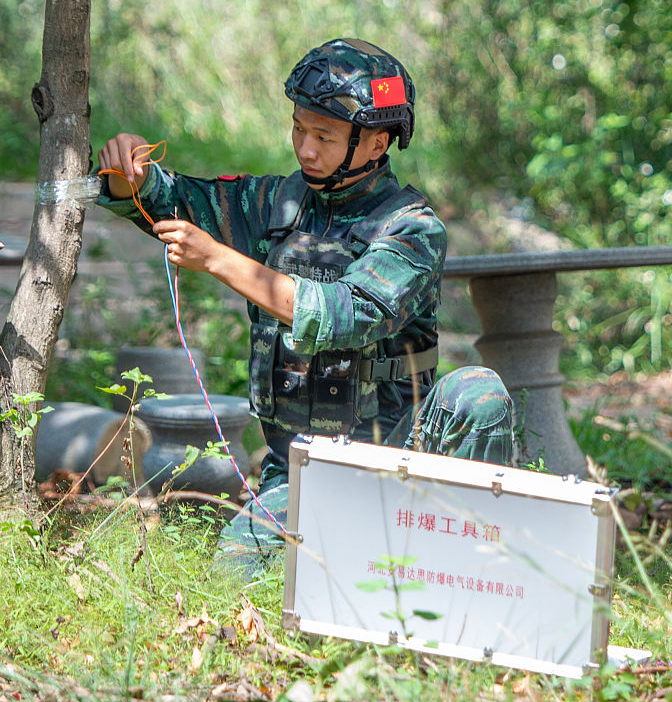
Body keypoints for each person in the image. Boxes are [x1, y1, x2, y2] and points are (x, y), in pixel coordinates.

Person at [96, 38, 515, 574]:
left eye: (324, 136)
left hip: (400, 463)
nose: (305, 149)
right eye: (299, 129)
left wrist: (218, 259)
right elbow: (172, 200)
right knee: (233, 577)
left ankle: (466, 572)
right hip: (302, 473)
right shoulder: (278, 204)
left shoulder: (412, 229)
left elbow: (345, 314)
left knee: (477, 393)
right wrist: (131, 175)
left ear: (376, 143)